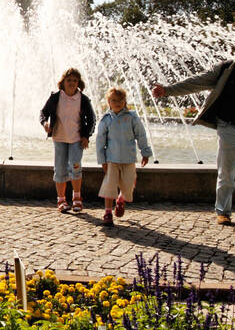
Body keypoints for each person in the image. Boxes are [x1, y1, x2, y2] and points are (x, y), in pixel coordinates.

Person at [150, 30, 235, 227]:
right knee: (226, 173)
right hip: (230, 128)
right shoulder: (225, 69)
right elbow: (197, 82)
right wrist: (168, 90)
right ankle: (223, 211)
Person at [39, 67, 95, 213]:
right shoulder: (56, 97)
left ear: (79, 83)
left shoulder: (83, 99)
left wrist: (86, 136)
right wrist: (45, 123)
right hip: (59, 138)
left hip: (76, 139)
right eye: (68, 80)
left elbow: (92, 119)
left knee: (75, 167)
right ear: (63, 82)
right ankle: (61, 200)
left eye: (74, 80)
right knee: (60, 170)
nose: (71, 83)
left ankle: (77, 198)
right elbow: (43, 113)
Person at [95, 87, 151, 227]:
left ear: (125, 101)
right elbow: (100, 141)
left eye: (120, 100)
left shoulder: (132, 117)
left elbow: (141, 135)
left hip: (128, 158)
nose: (117, 103)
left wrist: (145, 152)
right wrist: (102, 160)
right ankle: (108, 212)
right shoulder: (106, 119)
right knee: (109, 186)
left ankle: (121, 199)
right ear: (109, 102)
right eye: (114, 100)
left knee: (128, 185)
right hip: (112, 159)